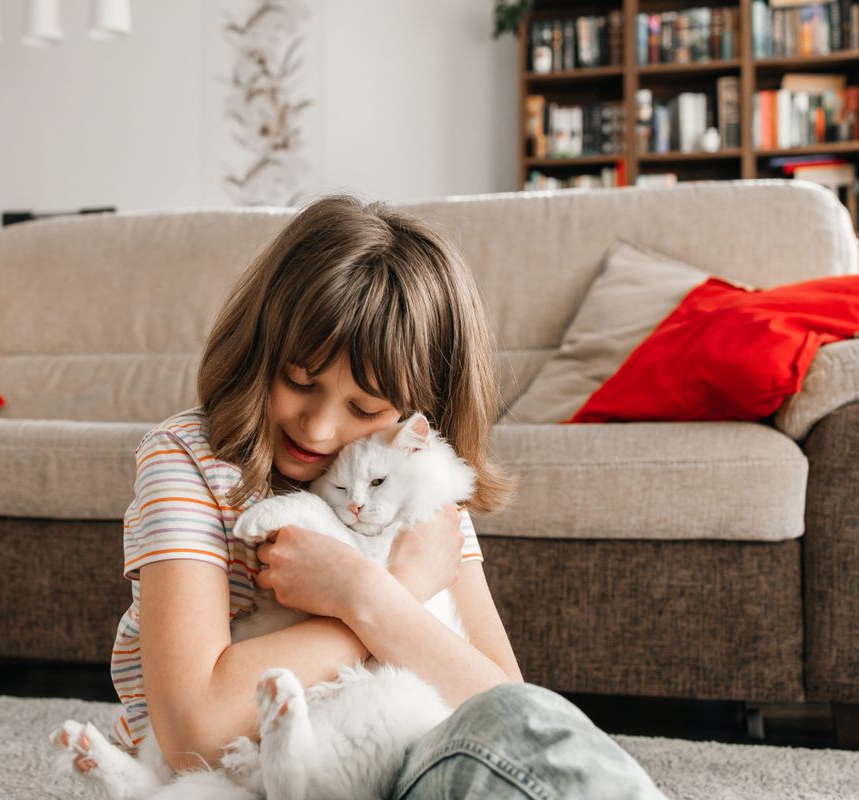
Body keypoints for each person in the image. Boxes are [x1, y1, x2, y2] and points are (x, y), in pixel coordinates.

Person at [99, 195, 667, 799]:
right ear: (260, 347)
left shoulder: (409, 482)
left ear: (418, 411)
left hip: (400, 762)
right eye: (299, 381)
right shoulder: (190, 460)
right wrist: (389, 591)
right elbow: (195, 730)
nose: (319, 428)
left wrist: (363, 592)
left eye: (365, 408)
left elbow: (501, 705)